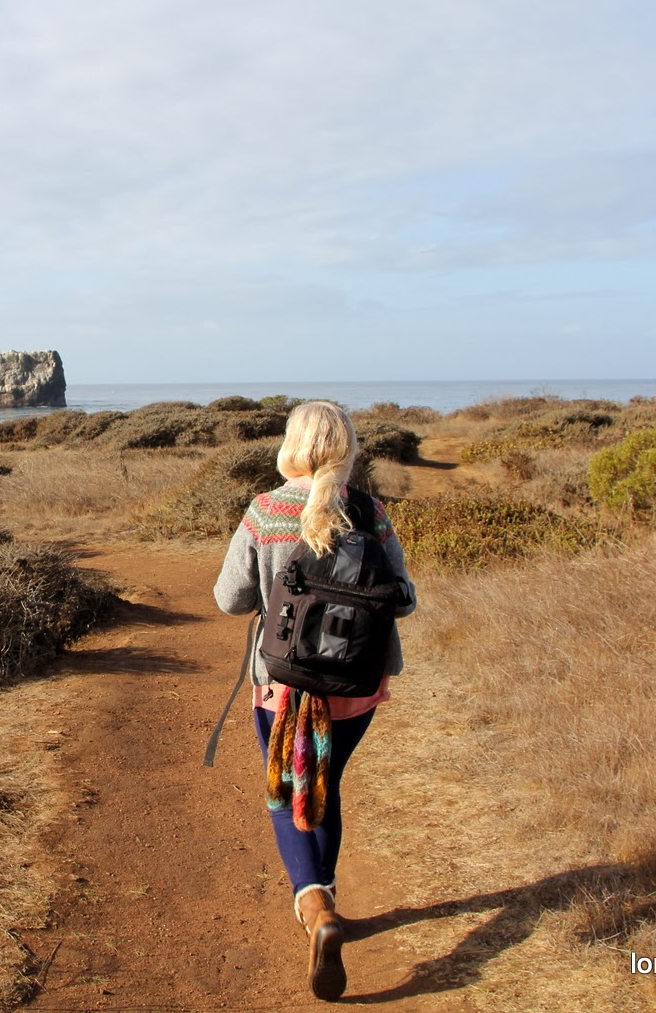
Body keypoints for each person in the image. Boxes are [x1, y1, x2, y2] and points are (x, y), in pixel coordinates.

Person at [212, 400, 416, 1001]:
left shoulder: (266, 511)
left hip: (282, 685)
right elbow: (403, 599)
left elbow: (230, 598)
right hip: (354, 687)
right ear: (348, 448)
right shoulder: (369, 512)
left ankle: (314, 904)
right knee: (326, 782)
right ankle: (324, 898)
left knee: (286, 788)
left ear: (292, 444)